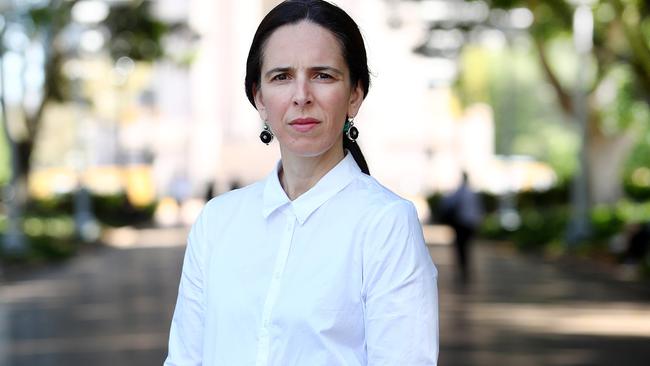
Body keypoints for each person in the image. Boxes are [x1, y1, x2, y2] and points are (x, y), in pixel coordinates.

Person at [164, 1, 439, 365]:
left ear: (355, 94)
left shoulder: (385, 223)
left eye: (323, 75)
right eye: (281, 76)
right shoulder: (217, 222)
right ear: (259, 98)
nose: (301, 96)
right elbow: (184, 358)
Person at [439, 172, 482, 283]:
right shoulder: (471, 193)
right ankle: (464, 269)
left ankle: (463, 269)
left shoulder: (460, 192)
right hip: (469, 224)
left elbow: (447, 203)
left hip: (462, 224)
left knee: (461, 248)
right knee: (465, 247)